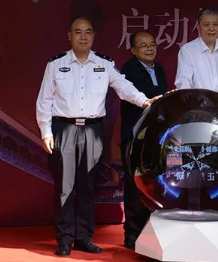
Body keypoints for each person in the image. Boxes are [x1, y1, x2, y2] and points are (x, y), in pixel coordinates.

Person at [36, 17, 159, 257]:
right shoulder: (56, 64)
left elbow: (123, 86)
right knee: (64, 188)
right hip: (64, 129)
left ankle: (83, 237)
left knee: (87, 186)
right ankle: (64, 239)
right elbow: (44, 101)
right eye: (78, 32)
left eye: (88, 32)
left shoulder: (104, 64)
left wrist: (144, 101)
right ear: (69, 36)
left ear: (94, 36)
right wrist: (46, 132)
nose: (83, 37)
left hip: (93, 131)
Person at [119, 31, 168, 249]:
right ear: (133, 50)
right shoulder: (128, 70)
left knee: (155, 184)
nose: (149, 49)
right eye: (144, 45)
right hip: (135, 137)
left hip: (155, 137)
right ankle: (132, 233)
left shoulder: (159, 69)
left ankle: (152, 231)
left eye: (152, 44)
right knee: (134, 185)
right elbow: (143, 97)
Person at [174, 7, 218, 91]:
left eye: (215, 24)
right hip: (198, 99)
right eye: (206, 25)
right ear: (198, 27)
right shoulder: (187, 51)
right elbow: (183, 82)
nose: (211, 28)